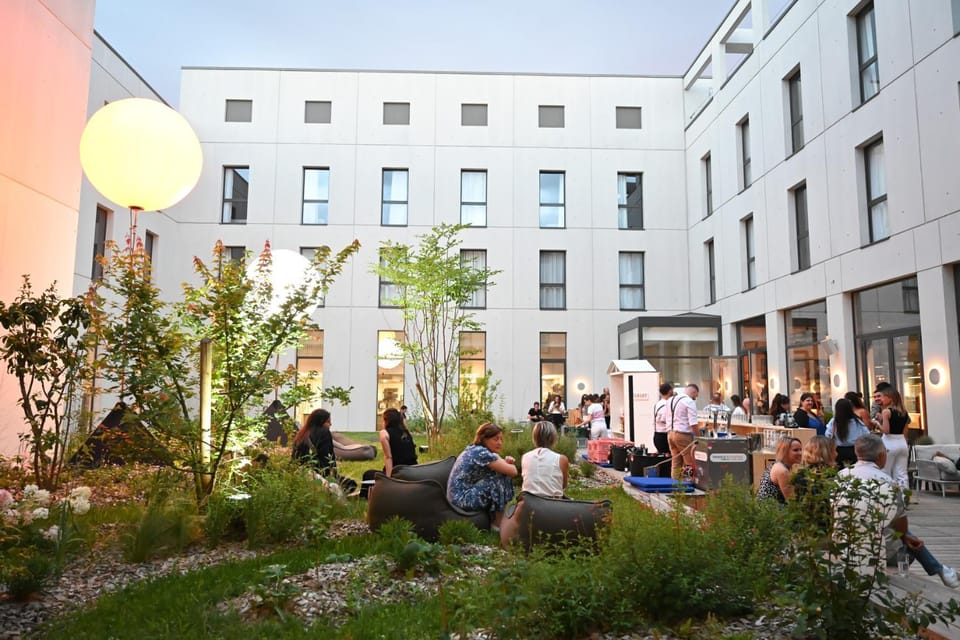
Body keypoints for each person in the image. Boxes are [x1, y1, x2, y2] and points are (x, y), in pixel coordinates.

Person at [836, 434, 958, 587]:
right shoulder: (887, 483)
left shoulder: (840, 477)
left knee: (897, 531)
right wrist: (905, 535)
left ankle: (941, 571)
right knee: (907, 539)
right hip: (879, 551)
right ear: (881, 455)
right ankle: (940, 570)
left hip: (843, 545)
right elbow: (901, 526)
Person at [447, 422, 518, 528]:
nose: (500, 443)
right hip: (461, 499)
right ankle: (497, 524)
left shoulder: (475, 449)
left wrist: (504, 462)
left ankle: (496, 518)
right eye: (496, 439)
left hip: (459, 496)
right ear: (484, 439)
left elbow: (505, 468)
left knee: (500, 475)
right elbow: (513, 472)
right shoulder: (481, 453)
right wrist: (507, 462)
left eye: (501, 439)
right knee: (498, 480)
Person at [292, 408, 357, 493]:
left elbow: (294, 458)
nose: (330, 424)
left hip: (300, 474)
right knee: (351, 484)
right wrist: (333, 476)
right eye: (328, 421)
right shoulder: (324, 432)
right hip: (318, 476)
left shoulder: (301, 434)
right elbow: (327, 459)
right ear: (321, 422)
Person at [791, 435, 838, 535]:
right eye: (834, 451)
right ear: (827, 453)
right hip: (825, 526)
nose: (836, 454)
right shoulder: (832, 476)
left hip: (803, 526)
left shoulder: (800, 475)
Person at [521, 421, 569, 498]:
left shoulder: (525, 457)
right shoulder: (561, 459)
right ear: (553, 438)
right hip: (552, 504)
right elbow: (562, 485)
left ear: (534, 438)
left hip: (528, 502)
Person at [877, 386, 910, 489]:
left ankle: (887, 497)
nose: (880, 399)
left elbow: (886, 431)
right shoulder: (904, 412)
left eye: (882, 396)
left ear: (890, 398)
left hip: (889, 443)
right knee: (902, 473)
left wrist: (877, 424)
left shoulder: (886, 411)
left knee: (885, 471)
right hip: (902, 442)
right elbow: (904, 430)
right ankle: (904, 497)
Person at [667, 384, 700, 480]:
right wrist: (698, 437)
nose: (695, 398)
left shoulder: (670, 400)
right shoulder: (689, 401)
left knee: (675, 462)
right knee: (689, 462)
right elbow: (693, 423)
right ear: (693, 392)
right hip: (683, 435)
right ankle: (688, 485)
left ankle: (674, 485)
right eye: (696, 396)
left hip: (670, 434)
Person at [825, 398, 871, 467]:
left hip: (838, 451)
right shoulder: (857, 421)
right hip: (855, 451)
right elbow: (867, 434)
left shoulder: (834, 421)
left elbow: (827, 435)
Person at [756, 436, 802, 505]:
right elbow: (792, 501)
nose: (800, 453)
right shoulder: (782, 471)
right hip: (773, 513)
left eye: (800, 449)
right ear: (785, 452)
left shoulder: (778, 465)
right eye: (795, 450)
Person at [652, 383, 674, 455]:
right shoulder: (666, 404)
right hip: (664, 436)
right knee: (668, 459)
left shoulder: (658, 404)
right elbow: (663, 419)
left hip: (657, 434)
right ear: (670, 391)